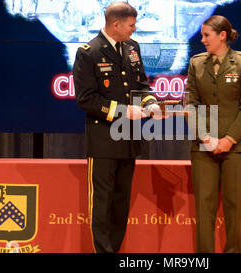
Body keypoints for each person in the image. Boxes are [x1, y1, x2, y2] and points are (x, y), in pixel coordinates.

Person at [73, 1, 159, 253]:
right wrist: (123, 111)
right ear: (116, 24)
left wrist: (151, 103)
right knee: (102, 204)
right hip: (103, 141)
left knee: (121, 204)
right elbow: (86, 99)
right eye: (131, 25)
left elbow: (141, 85)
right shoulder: (89, 52)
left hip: (130, 139)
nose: (135, 29)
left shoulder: (132, 48)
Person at [185, 15, 241, 253]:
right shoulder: (196, 63)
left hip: (237, 148)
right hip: (203, 147)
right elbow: (190, 105)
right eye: (202, 35)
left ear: (222, 35)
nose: (202, 40)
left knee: (235, 207)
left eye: (206, 35)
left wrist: (228, 139)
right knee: (204, 209)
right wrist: (206, 138)